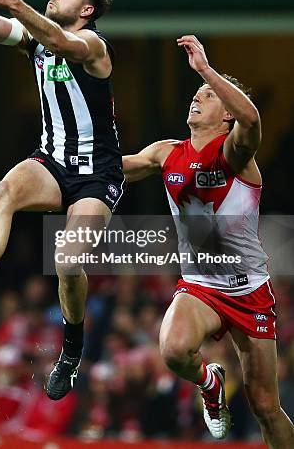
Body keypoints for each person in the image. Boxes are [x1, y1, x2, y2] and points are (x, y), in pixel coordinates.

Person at [0, 0, 124, 401]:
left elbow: (63, 44)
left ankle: (72, 350)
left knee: (66, 261)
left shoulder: (95, 46)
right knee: (1, 190)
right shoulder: (37, 40)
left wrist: (16, 3)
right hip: (51, 162)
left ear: (87, 9)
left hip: (97, 176)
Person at [122, 35, 294, 447]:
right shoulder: (166, 153)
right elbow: (116, 169)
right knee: (173, 350)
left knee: (265, 407)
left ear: (226, 114)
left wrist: (205, 70)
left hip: (249, 290)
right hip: (201, 286)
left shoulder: (235, 152)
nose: (197, 99)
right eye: (197, 94)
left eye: (208, 95)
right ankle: (209, 382)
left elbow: (251, 120)